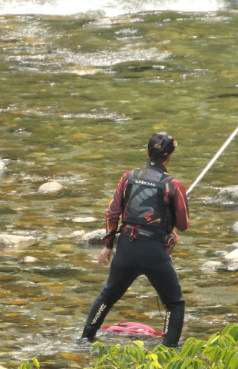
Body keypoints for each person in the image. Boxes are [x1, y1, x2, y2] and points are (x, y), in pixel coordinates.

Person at [79, 132, 190, 347]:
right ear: (170, 156)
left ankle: (85, 339)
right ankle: (168, 349)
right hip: (155, 254)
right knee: (174, 304)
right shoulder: (173, 185)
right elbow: (183, 225)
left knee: (107, 296)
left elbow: (112, 213)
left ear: (147, 152)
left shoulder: (128, 177)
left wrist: (108, 246)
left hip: (127, 249)